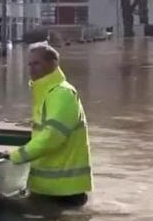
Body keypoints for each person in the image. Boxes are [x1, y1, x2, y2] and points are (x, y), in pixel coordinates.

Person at [7, 43, 93, 206]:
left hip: (64, 191)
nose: (31, 69)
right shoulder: (45, 92)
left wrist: (16, 156)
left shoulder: (61, 93)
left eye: (37, 63)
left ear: (53, 64)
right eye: (30, 64)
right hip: (48, 189)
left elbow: (51, 137)